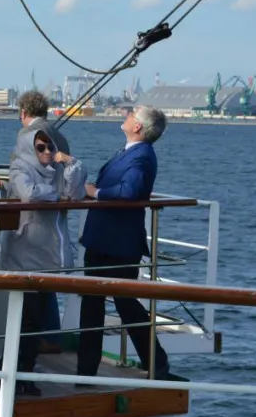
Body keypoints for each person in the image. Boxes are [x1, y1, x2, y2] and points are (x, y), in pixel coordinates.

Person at [77, 106, 187, 382]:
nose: (126, 115)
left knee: (120, 304)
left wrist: (96, 192)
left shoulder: (142, 156)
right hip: (105, 238)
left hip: (117, 243)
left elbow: (130, 191)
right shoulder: (130, 151)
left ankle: (154, 361)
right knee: (96, 304)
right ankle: (87, 370)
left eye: (131, 114)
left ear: (137, 126)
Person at [2, 129, 86, 396]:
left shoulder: (58, 169)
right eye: (41, 147)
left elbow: (76, 193)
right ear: (30, 148)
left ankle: (20, 371)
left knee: (34, 320)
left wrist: (71, 163)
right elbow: (28, 194)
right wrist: (56, 194)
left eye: (50, 146)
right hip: (26, 252)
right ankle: (14, 373)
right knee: (28, 319)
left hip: (48, 254)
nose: (47, 152)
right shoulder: (20, 167)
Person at [0, 90, 70, 351]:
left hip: (34, 218)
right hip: (54, 217)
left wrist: (9, 186)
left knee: (30, 283)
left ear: (23, 112)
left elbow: (27, 183)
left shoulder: (28, 135)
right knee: (46, 279)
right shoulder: (58, 135)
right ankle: (50, 335)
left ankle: (36, 339)